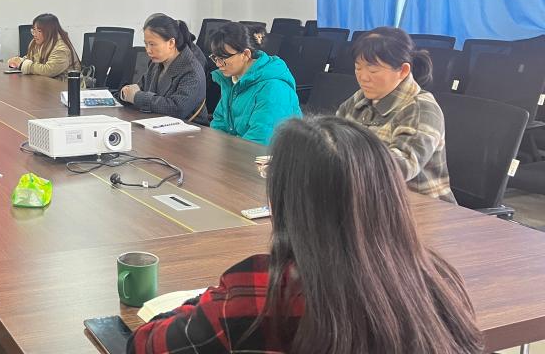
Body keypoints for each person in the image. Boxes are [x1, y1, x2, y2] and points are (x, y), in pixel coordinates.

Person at [128, 116, 483, 354]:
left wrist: (205, 299)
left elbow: (144, 345)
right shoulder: (438, 278)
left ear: (285, 199)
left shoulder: (259, 289)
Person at [336, 26, 455, 202]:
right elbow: (332, 138)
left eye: (373, 70)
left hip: (419, 205)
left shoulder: (420, 108)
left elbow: (399, 167)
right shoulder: (359, 99)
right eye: (358, 68)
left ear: (403, 71)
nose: (363, 77)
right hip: (370, 198)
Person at [207, 21, 301, 145]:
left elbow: (260, 141)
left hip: (271, 155)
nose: (218, 64)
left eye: (223, 58)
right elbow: (219, 125)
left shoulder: (273, 88)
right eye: (215, 58)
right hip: (239, 152)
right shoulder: (231, 81)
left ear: (245, 54)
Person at [119, 14, 207, 123]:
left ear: (171, 43)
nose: (148, 50)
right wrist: (126, 92)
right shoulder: (156, 63)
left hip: (191, 129)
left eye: (152, 44)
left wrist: (136, 97)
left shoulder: (191, 71)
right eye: (146, 44)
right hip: (156, 124)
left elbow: (178, 109)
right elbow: (140, 88)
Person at [6, 14, 79, 79]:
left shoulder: (61, 48)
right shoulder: (35, 42)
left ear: (49, 31)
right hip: (45, 83)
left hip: (65, 85)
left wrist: (23, 65)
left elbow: (49, 70)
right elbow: (30, 58)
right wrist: (18, 61)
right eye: (34, 30)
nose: (35, 34)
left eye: (39, 31)